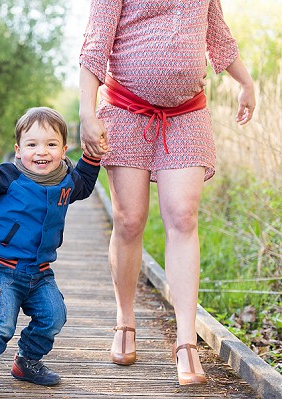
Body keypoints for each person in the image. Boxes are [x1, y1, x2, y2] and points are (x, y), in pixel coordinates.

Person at [78, 0, 255, 385]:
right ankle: (125, 320)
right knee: (129, 219)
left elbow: (219, 38)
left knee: (183, 215)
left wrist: (245, 81)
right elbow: (95, 44)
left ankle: (186, 342)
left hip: (187, 114)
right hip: (126, 110)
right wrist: (86, 112)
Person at [0, 107, 101, 396]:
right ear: (18, 149)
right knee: (0, 322)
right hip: (2, 268)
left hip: (41, 271)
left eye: (51, 144)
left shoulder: (65, 178)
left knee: (54, 316)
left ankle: (27, 361)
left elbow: (83, 187)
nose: (41, 152)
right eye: (32, 144)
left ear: (64, 148)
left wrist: (92, 158)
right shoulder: (8, 175)